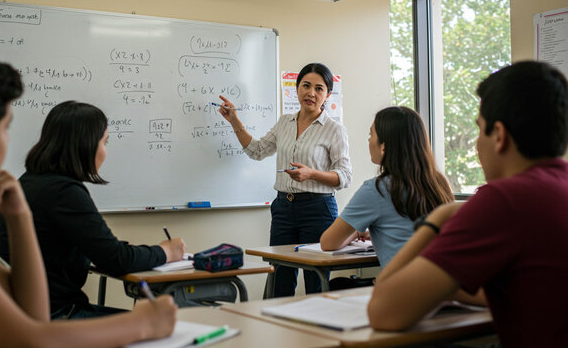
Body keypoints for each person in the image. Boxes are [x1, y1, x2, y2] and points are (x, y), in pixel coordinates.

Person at [0, 50, 176, 348]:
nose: (9, 140)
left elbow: (33, 315)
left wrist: (18, 215)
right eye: (6, 128)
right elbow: (24, 340)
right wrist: (144, 322)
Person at [368, 61, 568, 348]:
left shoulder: (502, 201)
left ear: (499, 136)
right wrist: (445, 288)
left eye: (480, 130)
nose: (477, 144)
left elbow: (383, 311)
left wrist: (438, 218)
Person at [0, 101, 186, 319]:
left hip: (19, 316)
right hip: (54, 318)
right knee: (163, 327)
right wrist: (166, 252)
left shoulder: (30, 182)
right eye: (104, 142)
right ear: (86, 144)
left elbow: (105, 250)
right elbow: (116, 259)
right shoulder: (64, 191)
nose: (105, 151)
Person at [218, 62, 352, 297]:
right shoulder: (284, 123)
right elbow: (257, 150)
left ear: (328, 95)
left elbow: (345, 176)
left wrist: (312, 173)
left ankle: (318, 332)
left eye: (319, 89)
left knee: (315, 283)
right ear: (296, 88)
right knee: (279, 279)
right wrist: (234, 121)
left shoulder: (334, 129)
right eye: (306, 86)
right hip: (283, 209)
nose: (311, 93)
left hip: (318, 209)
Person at [319, 106, 453, 270]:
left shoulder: (376, 189)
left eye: (371, 134)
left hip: (402, 288)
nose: (368, 140)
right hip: (445, 286)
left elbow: (328, 242)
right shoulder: (439, 183)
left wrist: (357, 231)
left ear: (384, 146)